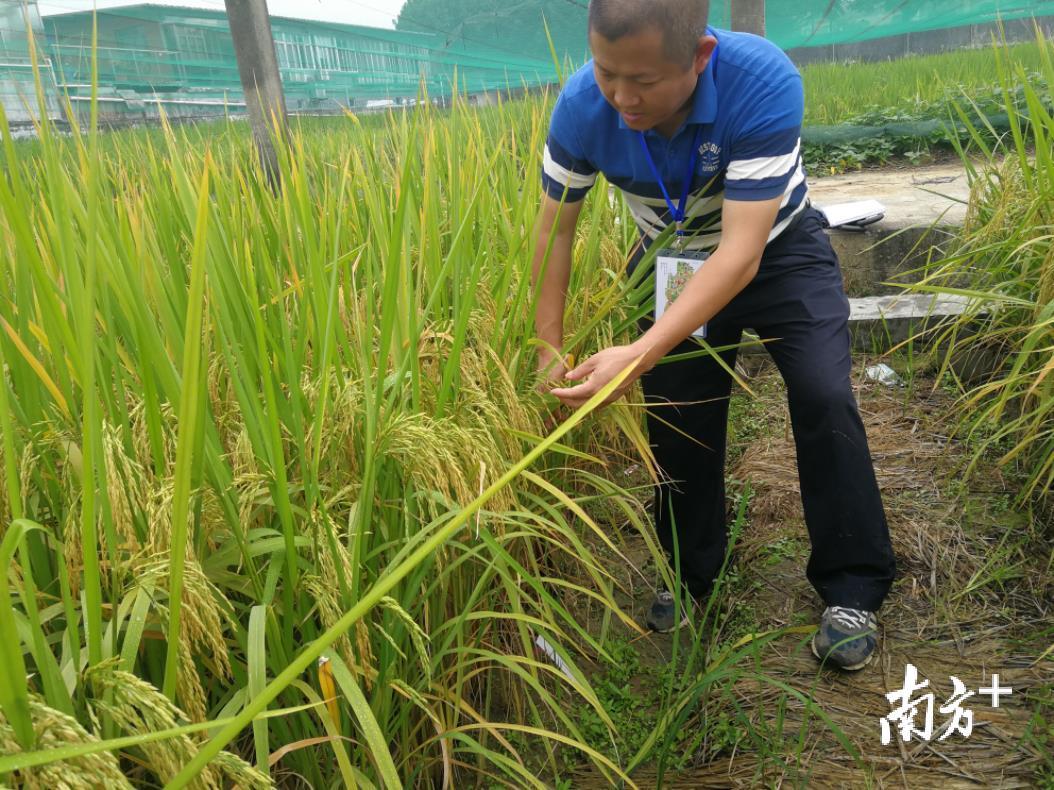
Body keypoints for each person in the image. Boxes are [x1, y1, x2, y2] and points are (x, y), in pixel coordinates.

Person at [530, 0, 897, 670]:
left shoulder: (761, 81)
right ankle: (691, 574)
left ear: (699, 57)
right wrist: (548, 346)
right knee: (678, 414)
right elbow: (556, 230)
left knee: (822, 392)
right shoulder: (582, 105)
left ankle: (853, 586)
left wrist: (637, 354)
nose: (621, 97)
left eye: (642, 80)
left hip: (775, 251)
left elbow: (740, 255)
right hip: (672, 259)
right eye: (607, 72)